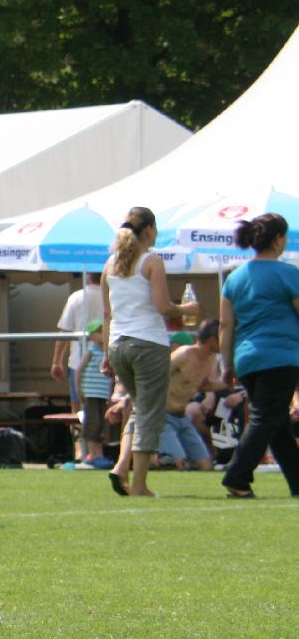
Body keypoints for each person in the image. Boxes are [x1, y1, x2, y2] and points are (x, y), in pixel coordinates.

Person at [101, 206, 197, 498]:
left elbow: (107, 315)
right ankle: (140, 485)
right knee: (151, 414)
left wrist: (106, 354)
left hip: (118, 345)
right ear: (149, 230)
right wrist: (187, 308)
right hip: (148, 344)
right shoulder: (151, 262)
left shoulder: (109, 265)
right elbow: (163, 307)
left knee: (140, 408)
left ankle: (121, 467)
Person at [217, 213, 299, 500]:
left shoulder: (235, 278)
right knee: (266, 419)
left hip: (246, 358)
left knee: (277, 424)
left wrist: (226, 364)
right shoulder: (288, 273)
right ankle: (237, 477)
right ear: (277, 239)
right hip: (281, 355)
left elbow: (225, 325)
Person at [154, 323, 228, 470]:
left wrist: (228, 383)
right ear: (212, 340)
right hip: (163, 417)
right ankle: (155, 460)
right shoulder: (184, 354)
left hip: (183, 418)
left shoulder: (210, 359)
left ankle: (162, 459)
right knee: (178, 464)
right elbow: (155, 376)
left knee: (206, 466)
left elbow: (204, 386)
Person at [50, 273, 104, 410]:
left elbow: (65, 331)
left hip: (78, 361)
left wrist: (56, 362)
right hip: (105, 360)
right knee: (106, 408)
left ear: (88, 276)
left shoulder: (76, 297)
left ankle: (76, 423)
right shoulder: (110, 296)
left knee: (77, 407)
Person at [74, 320, 115, 467]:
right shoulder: (91, 350)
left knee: (101, 424)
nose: (103, 335)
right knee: (93, 422)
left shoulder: (107, 353)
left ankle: (99, 454)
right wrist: (78, 388)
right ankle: (92, 454)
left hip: (102, 394)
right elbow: (79, 370)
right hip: (91, 393)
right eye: (99, 332)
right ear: (92, 336)